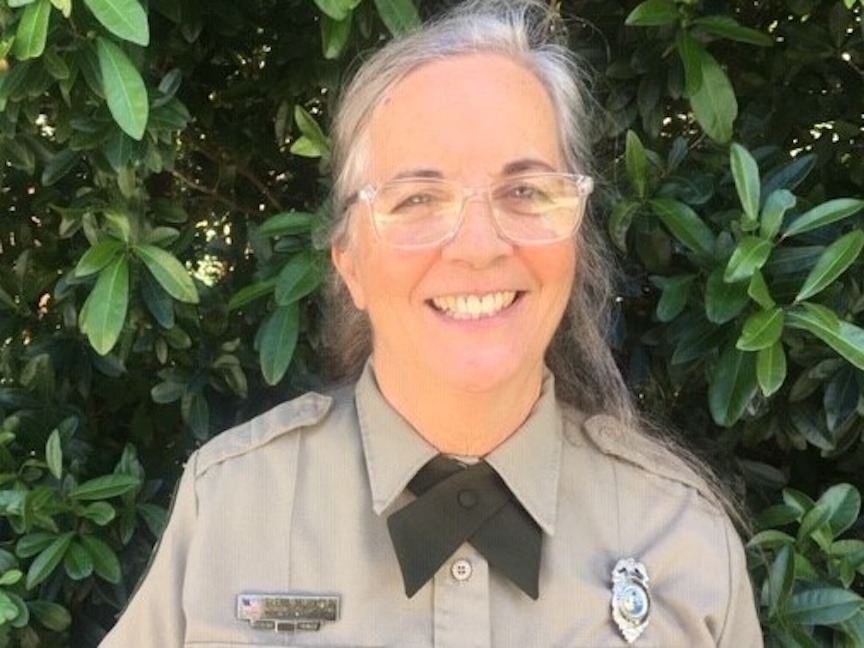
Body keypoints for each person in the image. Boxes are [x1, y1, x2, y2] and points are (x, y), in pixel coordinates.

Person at [100, 1, 763, 646]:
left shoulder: (682, 541)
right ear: (350, 265)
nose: (478, 245)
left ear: (574, 238)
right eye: (417, 198)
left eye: (525, 191)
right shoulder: (232, 510)